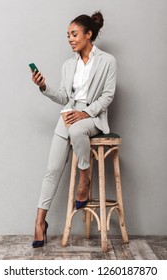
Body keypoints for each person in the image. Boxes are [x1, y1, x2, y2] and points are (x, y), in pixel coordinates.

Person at [30, 11, 117, 248]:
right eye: (68, 35)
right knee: (52, 169)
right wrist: (44, 86)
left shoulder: (107, 61)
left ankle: (84, 176)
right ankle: (39, 223)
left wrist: (84, 113)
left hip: (92, 117)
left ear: (89, 35)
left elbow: (108, 96)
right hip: (68, 115)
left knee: (78, 129)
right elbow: (64, 97)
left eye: (74, 34)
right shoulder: (69, 65)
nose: (70, 39)